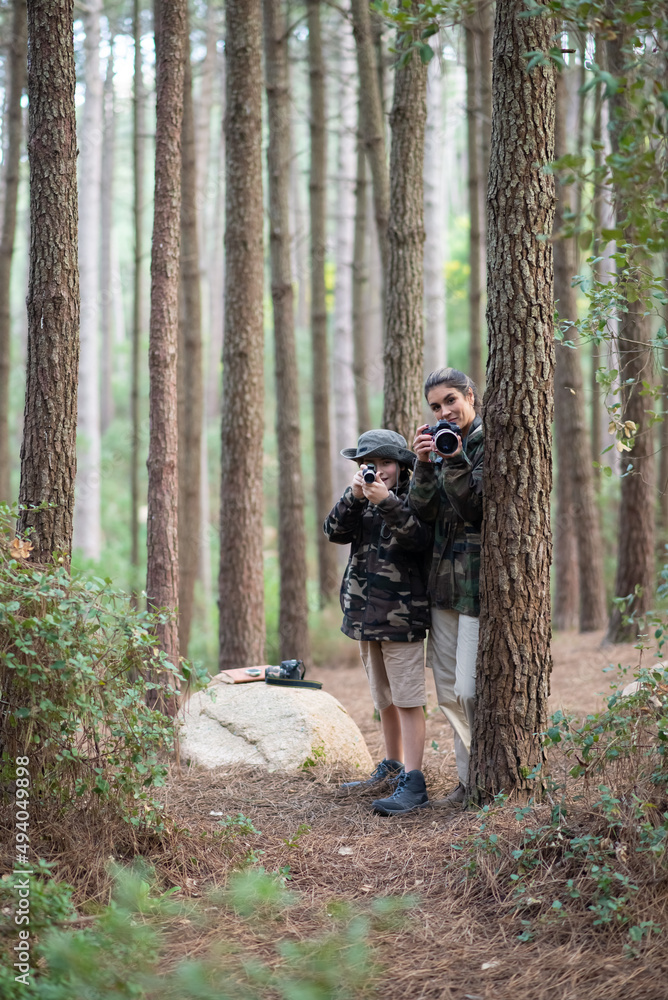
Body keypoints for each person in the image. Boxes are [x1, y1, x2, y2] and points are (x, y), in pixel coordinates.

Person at [323, 429, 433, 816]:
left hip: (401, 617)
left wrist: (386, 502)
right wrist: (354, 496)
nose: (377, 471)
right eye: (368, 465)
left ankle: (414, 781)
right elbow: (332, 531)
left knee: (407, 699)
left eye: (385, 463)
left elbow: (418, 540)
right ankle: (392, 766)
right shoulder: (361, 500)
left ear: (401, 466)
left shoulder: (413, 495)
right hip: (363, 616)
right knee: (383, 698)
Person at [410, 368, 483, 809]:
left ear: (470, 396)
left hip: (476, 588)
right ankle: (465, 783)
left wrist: (454, 458)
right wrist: (423, 463)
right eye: (436, 407)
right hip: (442, 589)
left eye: (451, 400)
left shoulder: (487, 441)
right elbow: (424, 511)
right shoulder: (436, 445)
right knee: (447, 694)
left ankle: (485, 775)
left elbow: (475, 507)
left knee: (470, 691)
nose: (445, 412)